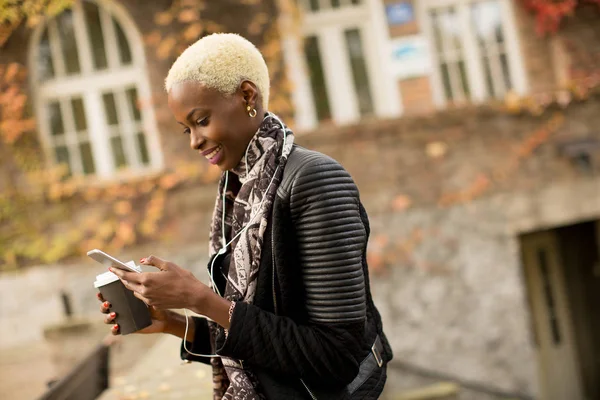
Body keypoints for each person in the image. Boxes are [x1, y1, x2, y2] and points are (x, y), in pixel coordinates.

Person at [98, 33, 392, 399]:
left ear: (247, 96)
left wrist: (199, 298)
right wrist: (174, 324)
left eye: (201, 120)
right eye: (187, 129)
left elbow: (334, 356)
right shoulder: (238, 189)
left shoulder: (314, 180)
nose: (194, 141)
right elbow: (261, 343)